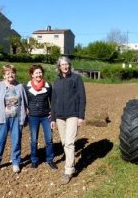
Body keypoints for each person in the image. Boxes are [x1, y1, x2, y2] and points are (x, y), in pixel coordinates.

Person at [50, 56, 86, 185]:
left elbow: (82, 98)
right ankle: (71, 164)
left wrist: (81, 116)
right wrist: (53, 118)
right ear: (59, 67)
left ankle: (68, 171)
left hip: (72, 115)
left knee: (70, 143)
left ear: (69, 65)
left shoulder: (76, 78)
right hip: (60, 116)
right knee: (64, 142)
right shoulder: (57, 81)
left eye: (67, 64)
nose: (65, 66)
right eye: (62, 65)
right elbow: (53, 101)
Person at [0, 64, 28, 174]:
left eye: (12, 73)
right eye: (8, 73)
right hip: (2, 118)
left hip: (16, 118)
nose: (10, 75)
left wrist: (24, 117)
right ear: (4, 75)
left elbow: (25, 103)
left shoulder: (20, 86)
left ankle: (16, 163)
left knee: (16, 141)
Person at [24, 64, 58, 170]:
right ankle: (34, 160)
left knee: (49, 139)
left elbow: (53, 101)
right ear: (32, 75)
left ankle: (50, 159)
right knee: (34, 140)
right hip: (33, 117)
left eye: (40, 72)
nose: (39, 75)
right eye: (36, 73)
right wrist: (26, 109)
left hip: (45, 117)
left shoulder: (48, 85)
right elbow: (24, 101)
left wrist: (52, 115)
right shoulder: (26, 86)